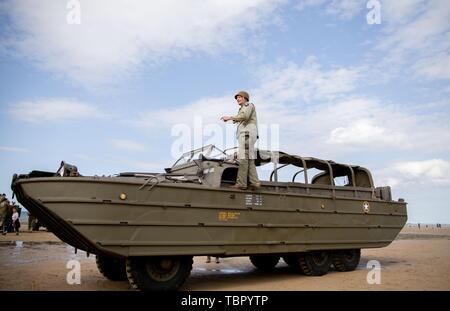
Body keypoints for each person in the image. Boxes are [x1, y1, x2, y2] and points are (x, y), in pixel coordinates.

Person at [221, 91, 260, 190]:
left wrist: (229, 117)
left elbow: (244, 116)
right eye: (237, 98)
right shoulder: (243, 109)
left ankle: (241, 183)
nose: (238, 99)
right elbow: (241, 117)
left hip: (247, 135)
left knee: (243, 159)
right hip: (248, 135)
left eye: (240, 97)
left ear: (245, 98)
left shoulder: (248, 105)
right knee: (249, 159)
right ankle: (255, 182)